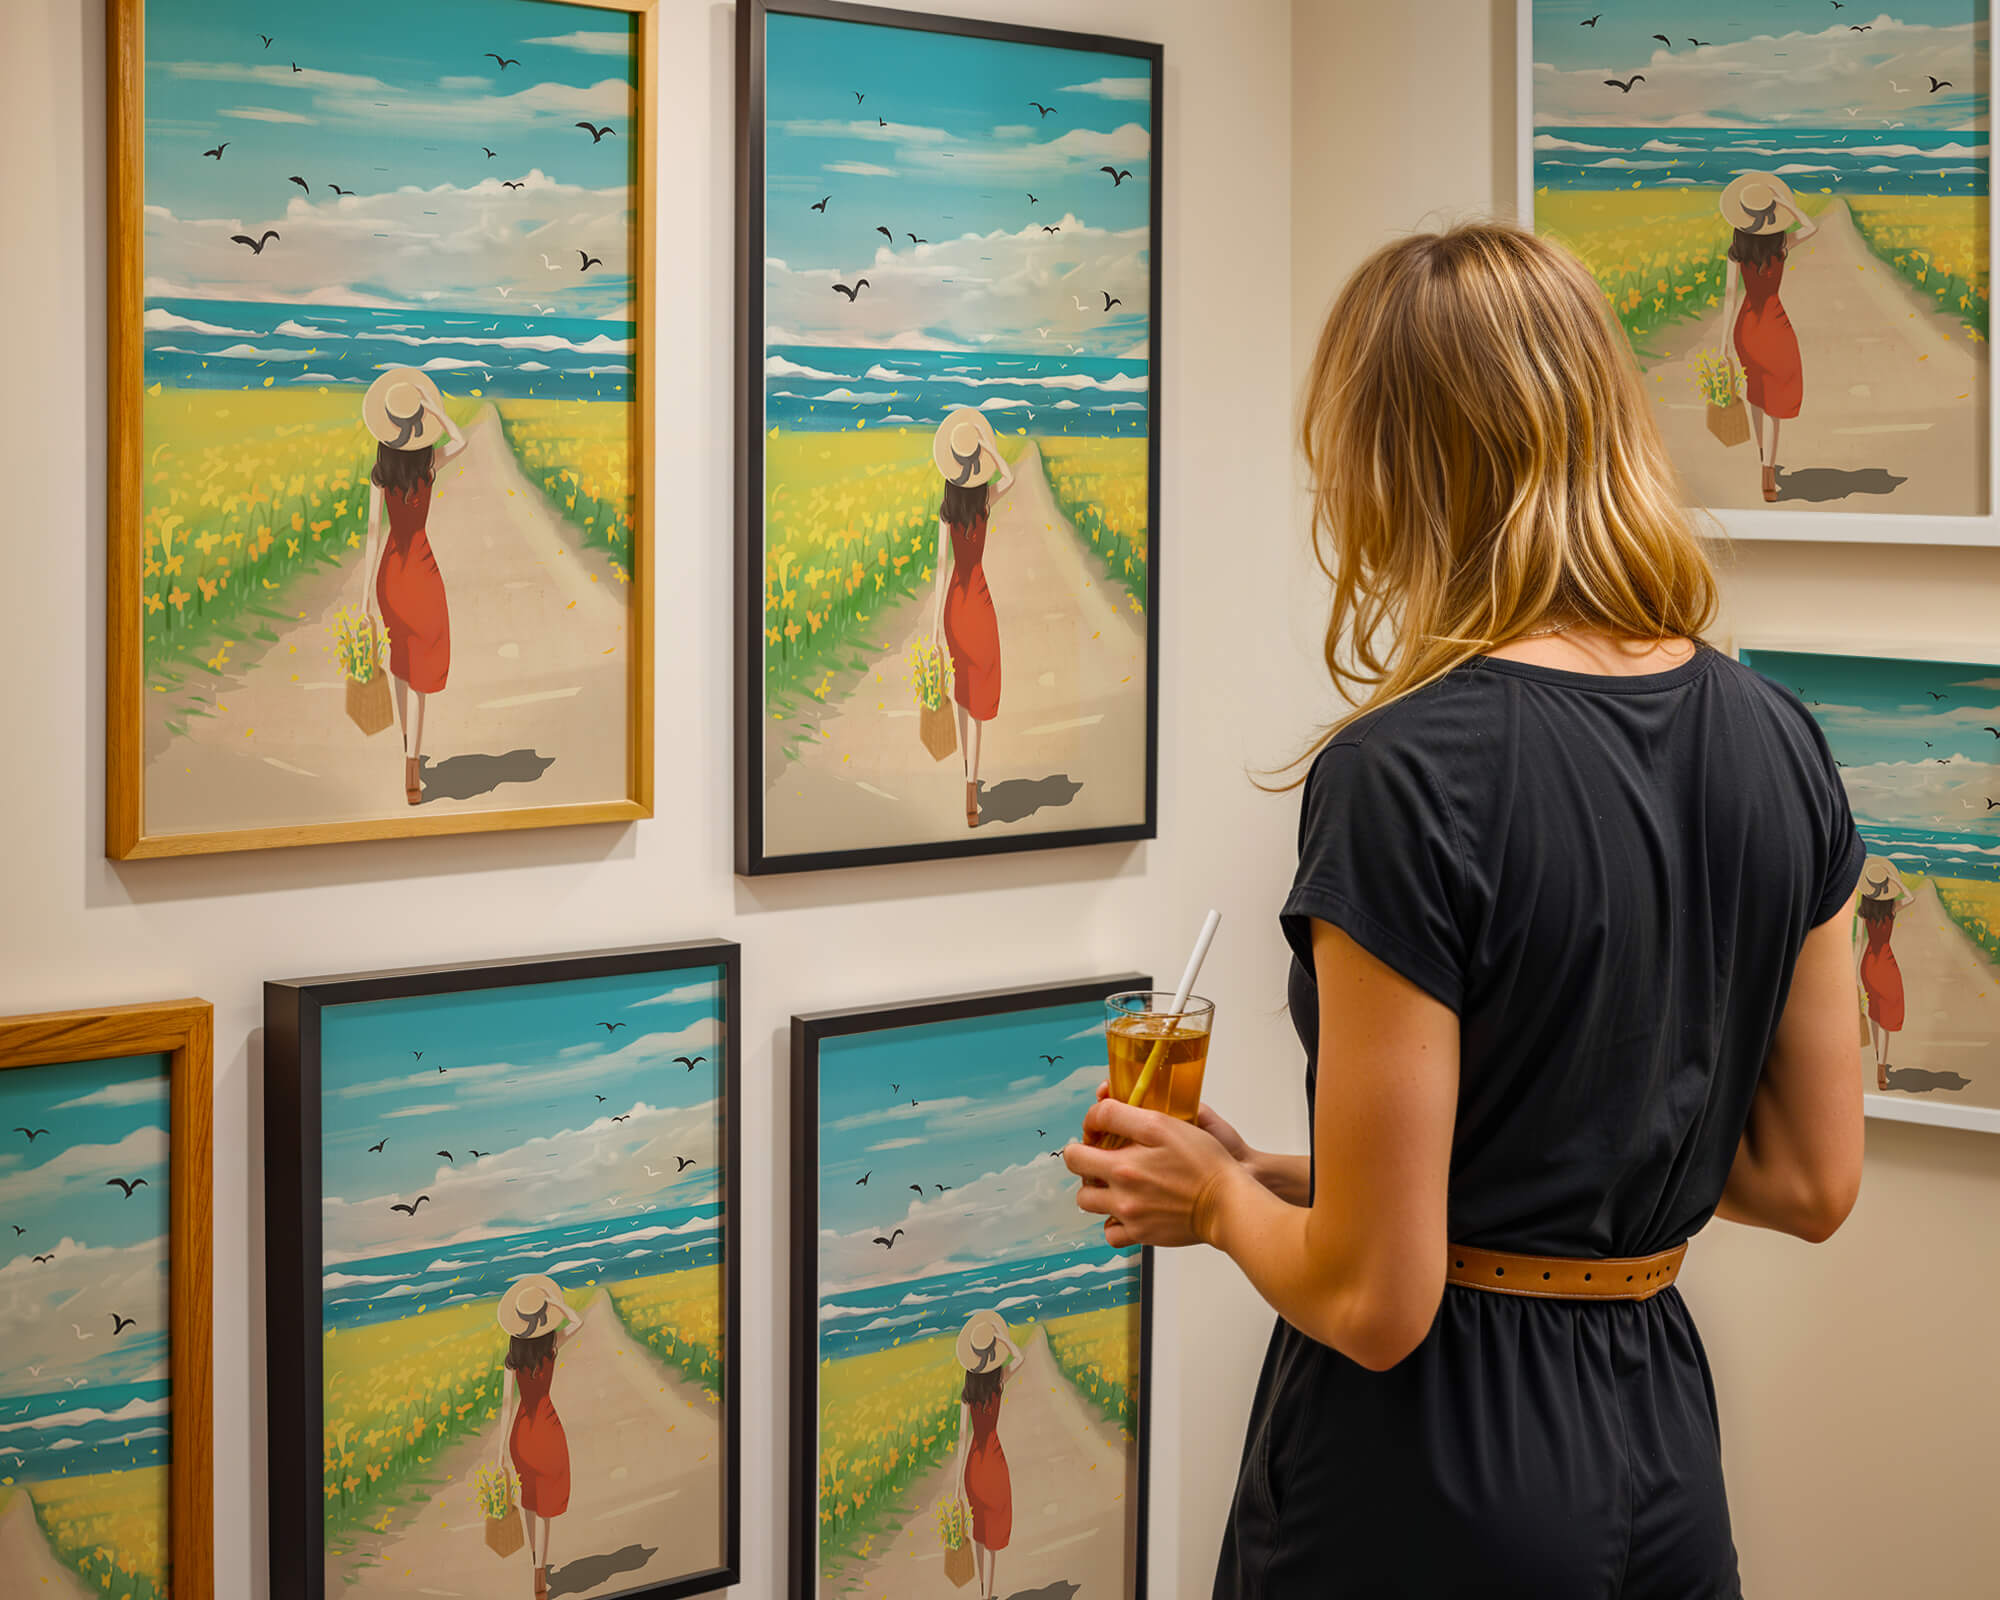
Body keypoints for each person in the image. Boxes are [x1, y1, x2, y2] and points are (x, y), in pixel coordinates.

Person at [1065, 222, 1866, 1597]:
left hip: (1429, 1464)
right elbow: (1807, 1181)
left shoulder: (1403, 776)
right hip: (1659, 1448)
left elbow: (1378, 1308)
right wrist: (1304, 1182)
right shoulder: (1778, 737)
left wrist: (1212, 1201)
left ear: (1396, 465)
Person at [359, 367, 470, 806]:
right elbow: (461, 442)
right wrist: (439, 411)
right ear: (418, 426)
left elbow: (372, 532)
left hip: (391, 572)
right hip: (422, 571)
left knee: (402, 665)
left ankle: (409, 755)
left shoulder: (380, 471)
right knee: (420, 667)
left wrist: (365, 594)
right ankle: (412, 765)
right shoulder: (428, 463)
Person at [927, 407, 1016, 829]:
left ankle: (967, 779)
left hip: (954, 611)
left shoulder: (946, 510)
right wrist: (990, 451)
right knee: (977, 697)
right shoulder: (984, 502)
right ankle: (970, 787)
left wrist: (933, 633)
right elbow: (1011, 478)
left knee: (963, 692)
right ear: (975, 467)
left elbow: (941, 569)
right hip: (979, 605)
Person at [1717, 172, 1818, 504]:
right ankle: (1768, 474)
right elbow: (1812, 228)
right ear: (1771, 217)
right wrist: (1788, 205)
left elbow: (1731, 295)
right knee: (1774, 401)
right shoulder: (1780, 244)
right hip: (1776, 326)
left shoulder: (1737, 250)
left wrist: (1723, 345)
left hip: (1747, 327)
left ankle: (1765, 462)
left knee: (1757, 395)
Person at [494, 1274, 585, 1600]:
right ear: (542, 1318)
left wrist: (501, 1453)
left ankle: (537, 1567)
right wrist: (557, 1304)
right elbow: (579, 1320)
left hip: (522, 1436)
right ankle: (539, 1577)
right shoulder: (551, 1345)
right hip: (548, 1431)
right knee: (546, 1508)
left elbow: (506, 1408)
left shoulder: (512, 1358)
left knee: (530, 1504)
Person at [949, 1309, 1024, 1600]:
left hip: (973, 1471)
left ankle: (983, 1594)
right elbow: (1021, 1358)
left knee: (979, 1534)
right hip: (995, 1464)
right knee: (991, 1539)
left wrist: (956, 1488)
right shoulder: (999, 1382)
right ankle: (988, 1596)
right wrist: (1005, 1339)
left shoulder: (967, 1392)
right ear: (992, 1353)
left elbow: (961, 1439)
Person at [1856, 858, 1912, 1091]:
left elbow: (1860, 940)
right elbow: (1911, 898)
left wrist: (1853, 972)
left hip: (1868, 965)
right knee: (1888, 1015)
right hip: (1887, 965)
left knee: (1876, 1013)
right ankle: (1881, 1069)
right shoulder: (1891, 907)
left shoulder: (1864, 911)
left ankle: (1879, 1062)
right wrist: (1897, 882)